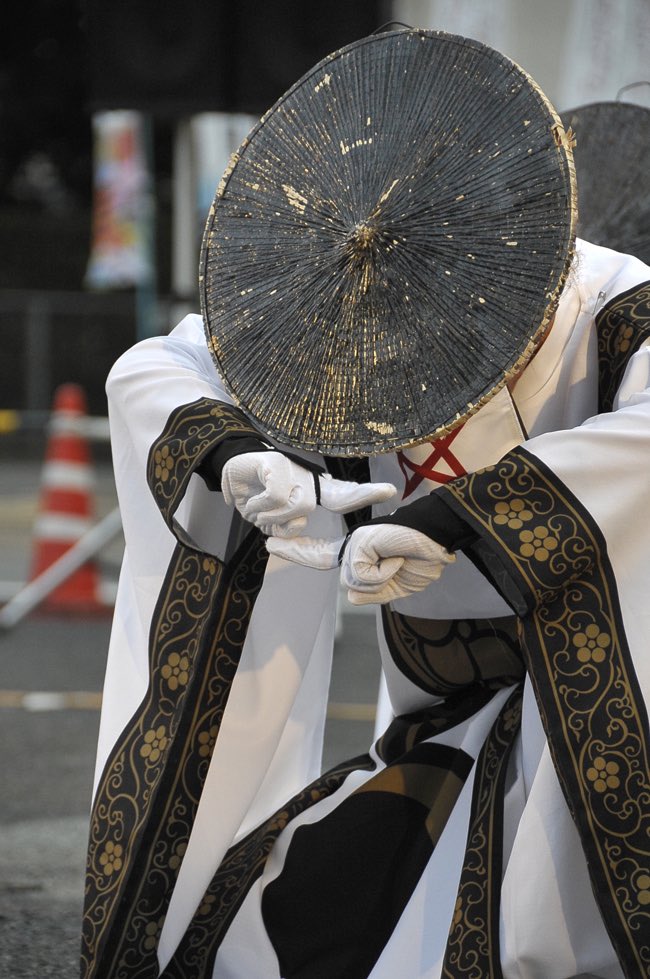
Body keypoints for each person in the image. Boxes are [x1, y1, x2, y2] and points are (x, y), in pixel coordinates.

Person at [81, 29, 650, 979]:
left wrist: (458, 518)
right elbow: (157, 366)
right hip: (436, 712)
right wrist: (233, 458)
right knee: (296, 927)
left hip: (604, 699)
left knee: (545, 924)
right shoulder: (345, 293)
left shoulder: (619, 310)